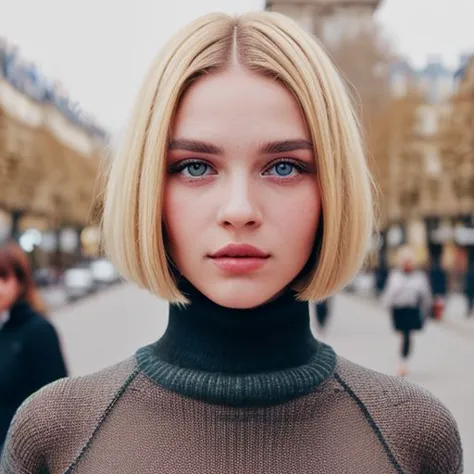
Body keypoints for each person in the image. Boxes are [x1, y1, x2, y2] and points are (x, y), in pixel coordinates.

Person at [1, 12, 462, 474]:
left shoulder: (414, 437)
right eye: (195, 167)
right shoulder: (53, 435)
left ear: (333, 190)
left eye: (283, 166)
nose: (239, 209)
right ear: (147, 190)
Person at [0, 244, 68, 450]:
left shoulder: (38, 331)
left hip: (24, 457)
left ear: (20, 282)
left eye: (3, 278)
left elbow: (57, 404)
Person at [381, 246, 433, 378]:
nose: (407, 263)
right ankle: (402, 360)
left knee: (407, 335)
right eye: (404, 261)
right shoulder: (395, 276)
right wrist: (387, 308)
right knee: (404, 336)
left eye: (409, 261)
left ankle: (403, 362)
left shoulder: (419, 277)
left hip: (411, 310)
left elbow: (425, 296)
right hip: (398, 311)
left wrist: (426, 312)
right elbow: (389, 295)